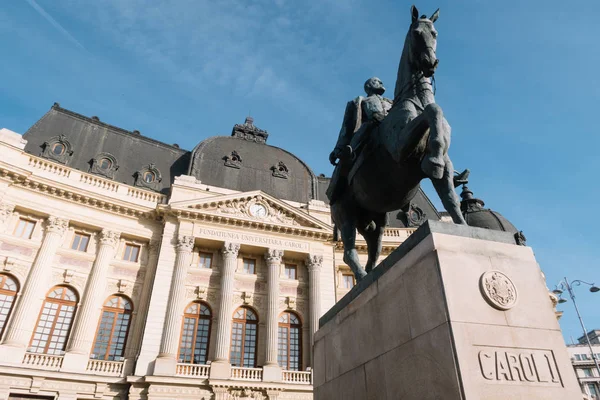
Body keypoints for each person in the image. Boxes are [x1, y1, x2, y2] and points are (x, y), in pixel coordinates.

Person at [326, 77, 393, 204]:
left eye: (380, 81)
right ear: (368, 86)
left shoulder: (391, 101)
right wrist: (338, 149)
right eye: (376, 81)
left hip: (390, 128)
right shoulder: (358, 101)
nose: (381, 83)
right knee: (349, 153)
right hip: (369, 128)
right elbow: (346, 127)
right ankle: (340, 184)